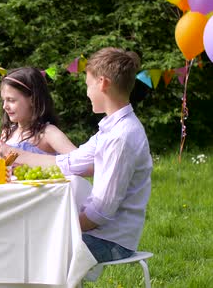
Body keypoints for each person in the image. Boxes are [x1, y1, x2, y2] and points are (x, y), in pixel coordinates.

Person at [14, 48, 152, 263]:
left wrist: (58, 226)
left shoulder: (120, 137)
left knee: (24, 250)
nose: (87, 92)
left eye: (89, 85)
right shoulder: (109, 130)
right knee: (18, 243)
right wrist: (14, 154)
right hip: (98, 233)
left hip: (110, 240)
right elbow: (68, 163)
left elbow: (101, 213)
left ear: (103, 83)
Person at [0, 67, 77, 156]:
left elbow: (80, 162)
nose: (5, 106)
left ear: (33, 100)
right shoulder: (7, 132)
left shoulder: (48, 133)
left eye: (11, 100)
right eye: (3, 100)